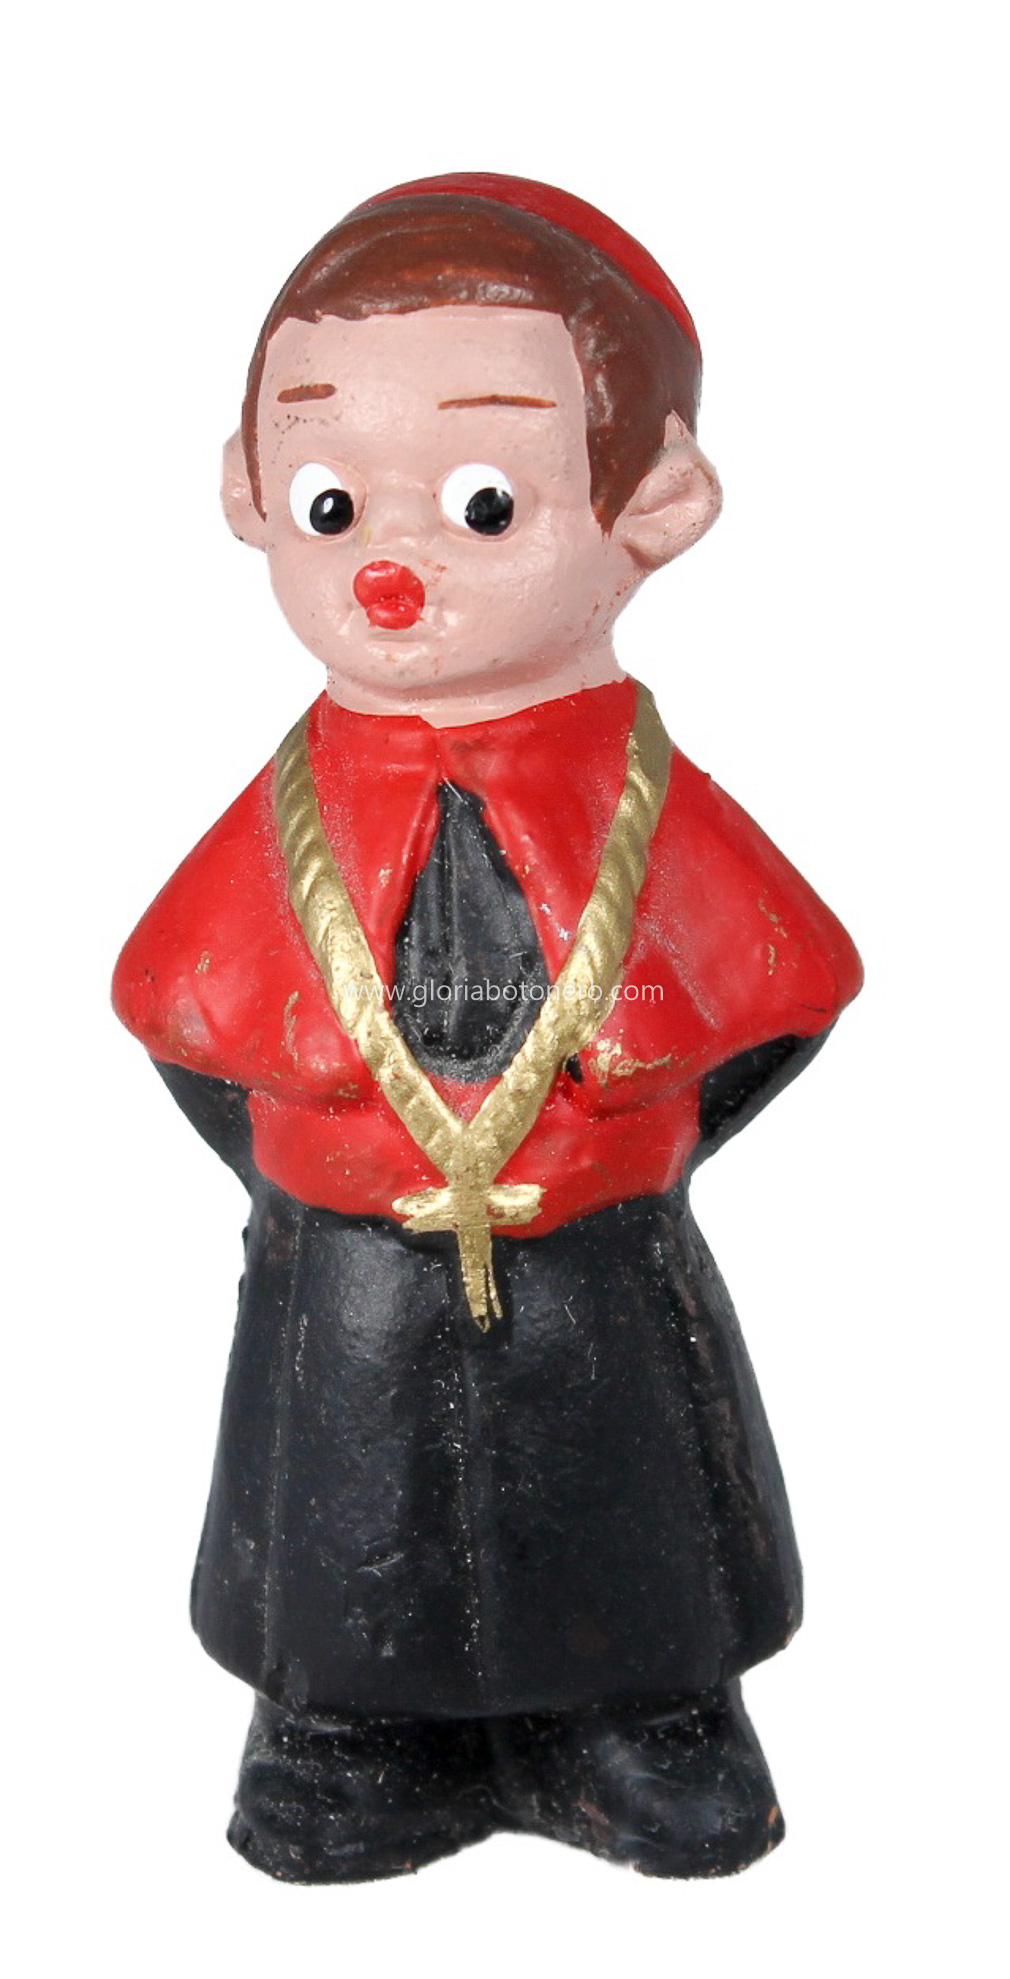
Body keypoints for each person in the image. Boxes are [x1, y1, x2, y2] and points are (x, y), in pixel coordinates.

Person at [113, 174, 862, 1883]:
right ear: (249, 496)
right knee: (345, 1500)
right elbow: (191, 1026)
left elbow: (773, 1002)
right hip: (346, 1270)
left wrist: (624, 1149)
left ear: (653, 505)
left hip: (595, 1257)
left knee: (623, 1491)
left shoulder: (646, 804)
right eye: (330, 502)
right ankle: (347, 1734)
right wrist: (326, 1173)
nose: (391, 566)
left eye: (481, 503)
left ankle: (640, 1719)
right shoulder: (286, 815)